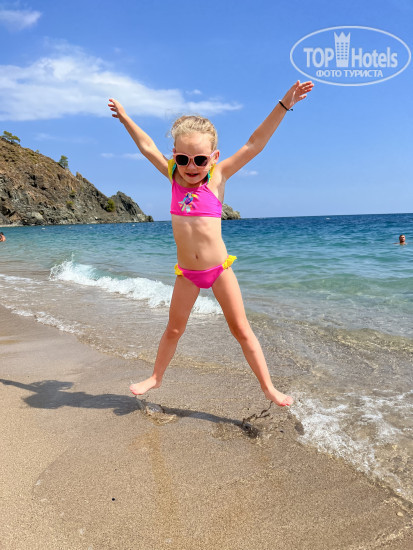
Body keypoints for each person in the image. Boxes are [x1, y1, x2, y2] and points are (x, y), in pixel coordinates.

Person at [108, 80, 314, 407]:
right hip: (187, 274)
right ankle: (156, 377)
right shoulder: (173, 176)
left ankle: (269, 388)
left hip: (218, 271)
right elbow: (147, 146)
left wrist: (285, 104)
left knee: (242, 331)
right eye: (183, 159)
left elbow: (254, 143)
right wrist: (125, 118)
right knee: (173, 330)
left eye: (200, 160)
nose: (191, 167)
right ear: (175, 157)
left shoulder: (218, 177)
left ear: (213, 157)